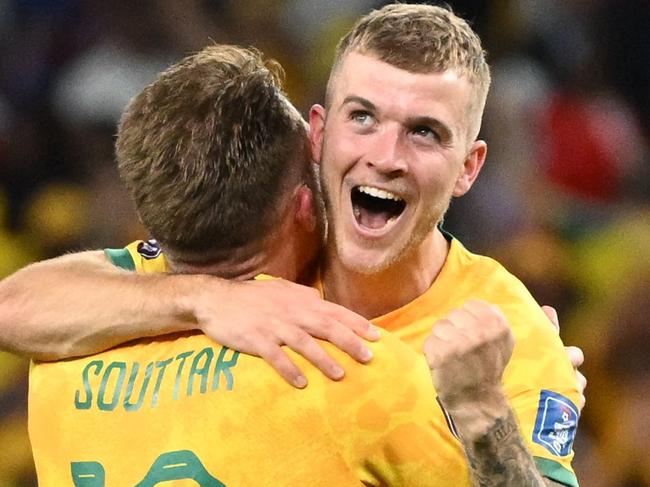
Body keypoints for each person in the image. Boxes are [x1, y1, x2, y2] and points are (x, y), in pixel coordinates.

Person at [2, 4, 583, 486]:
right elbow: (16, 305)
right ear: (319, 134)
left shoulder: (508, 333)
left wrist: (482, 412)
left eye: (424, 132)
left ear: (469, 168)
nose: (386, 156)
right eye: (363, 117)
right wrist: (206, 298)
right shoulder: (246, 244)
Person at [27, 44, 462, 486]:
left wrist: (200, 296)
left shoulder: (60, 361)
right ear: (305, 207)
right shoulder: (356, 370)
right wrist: (487, 413)